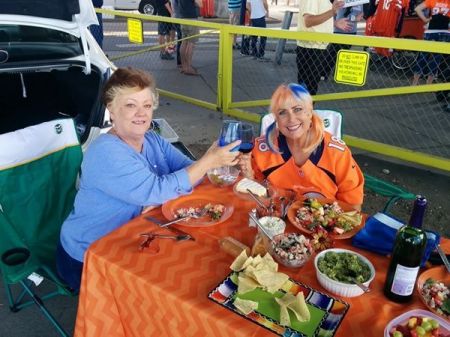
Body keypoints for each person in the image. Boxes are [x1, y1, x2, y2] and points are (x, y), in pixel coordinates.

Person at [57, 67, 240, 290]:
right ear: (111, 110)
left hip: (136, 235)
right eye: (130, 105)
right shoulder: (105, 151)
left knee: (202, 266)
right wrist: (206, 163)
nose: (141, 113)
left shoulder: (152, 139)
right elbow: (157, 190)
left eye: (146, 105)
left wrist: (215, 163)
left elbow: (188, 171)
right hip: (90, 254)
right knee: (172, 287)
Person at [238, 83, 364, 210]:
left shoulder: (338, 154)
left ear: (309, 111)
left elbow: (353, 207)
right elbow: (256, 196)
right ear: (276, 118)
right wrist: (248, 175)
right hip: (274, 222)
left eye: (297, 109)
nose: (291, 119)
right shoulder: (261, 149)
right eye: (282, 113)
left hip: (324, 225)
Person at [295, 0, 345, 95]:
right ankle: (305, 108)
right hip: (310, 48)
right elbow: (308, 21)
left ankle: (306, 108)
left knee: (310, 88)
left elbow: (316, 17)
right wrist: (332, 12)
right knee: (308, 90)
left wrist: (334, 23)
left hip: (317, 47)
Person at [412, 0, 450, 85]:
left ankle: (415, 83)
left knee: (422, 56)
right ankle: (429, 83)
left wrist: (425, 20)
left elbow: (417, 9)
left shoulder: (432, 0)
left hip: (431, 31)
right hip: (444, 32)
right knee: (436, 58)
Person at [179, 0, 202, 75]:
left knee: (184, 42)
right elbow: (200, 4)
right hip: (192, 18)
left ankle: (184, 66)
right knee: (191, 43)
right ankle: (188, 68)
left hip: (182, 18)